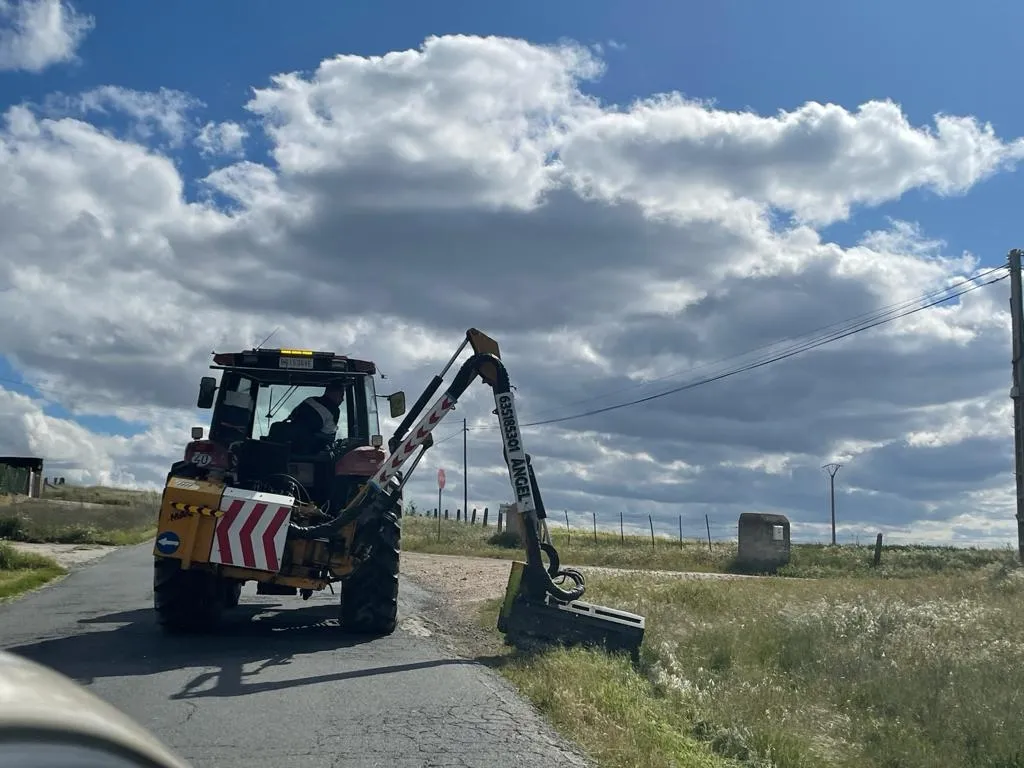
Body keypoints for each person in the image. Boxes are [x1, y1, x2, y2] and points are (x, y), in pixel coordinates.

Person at [278, 378, 346, 454]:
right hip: (308, 452)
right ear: (334, 393)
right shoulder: (333, 410)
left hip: (286, 449)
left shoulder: (309, 400)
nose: (342, 400)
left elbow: (291, 417)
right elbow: (329, 436)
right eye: (341, 395)